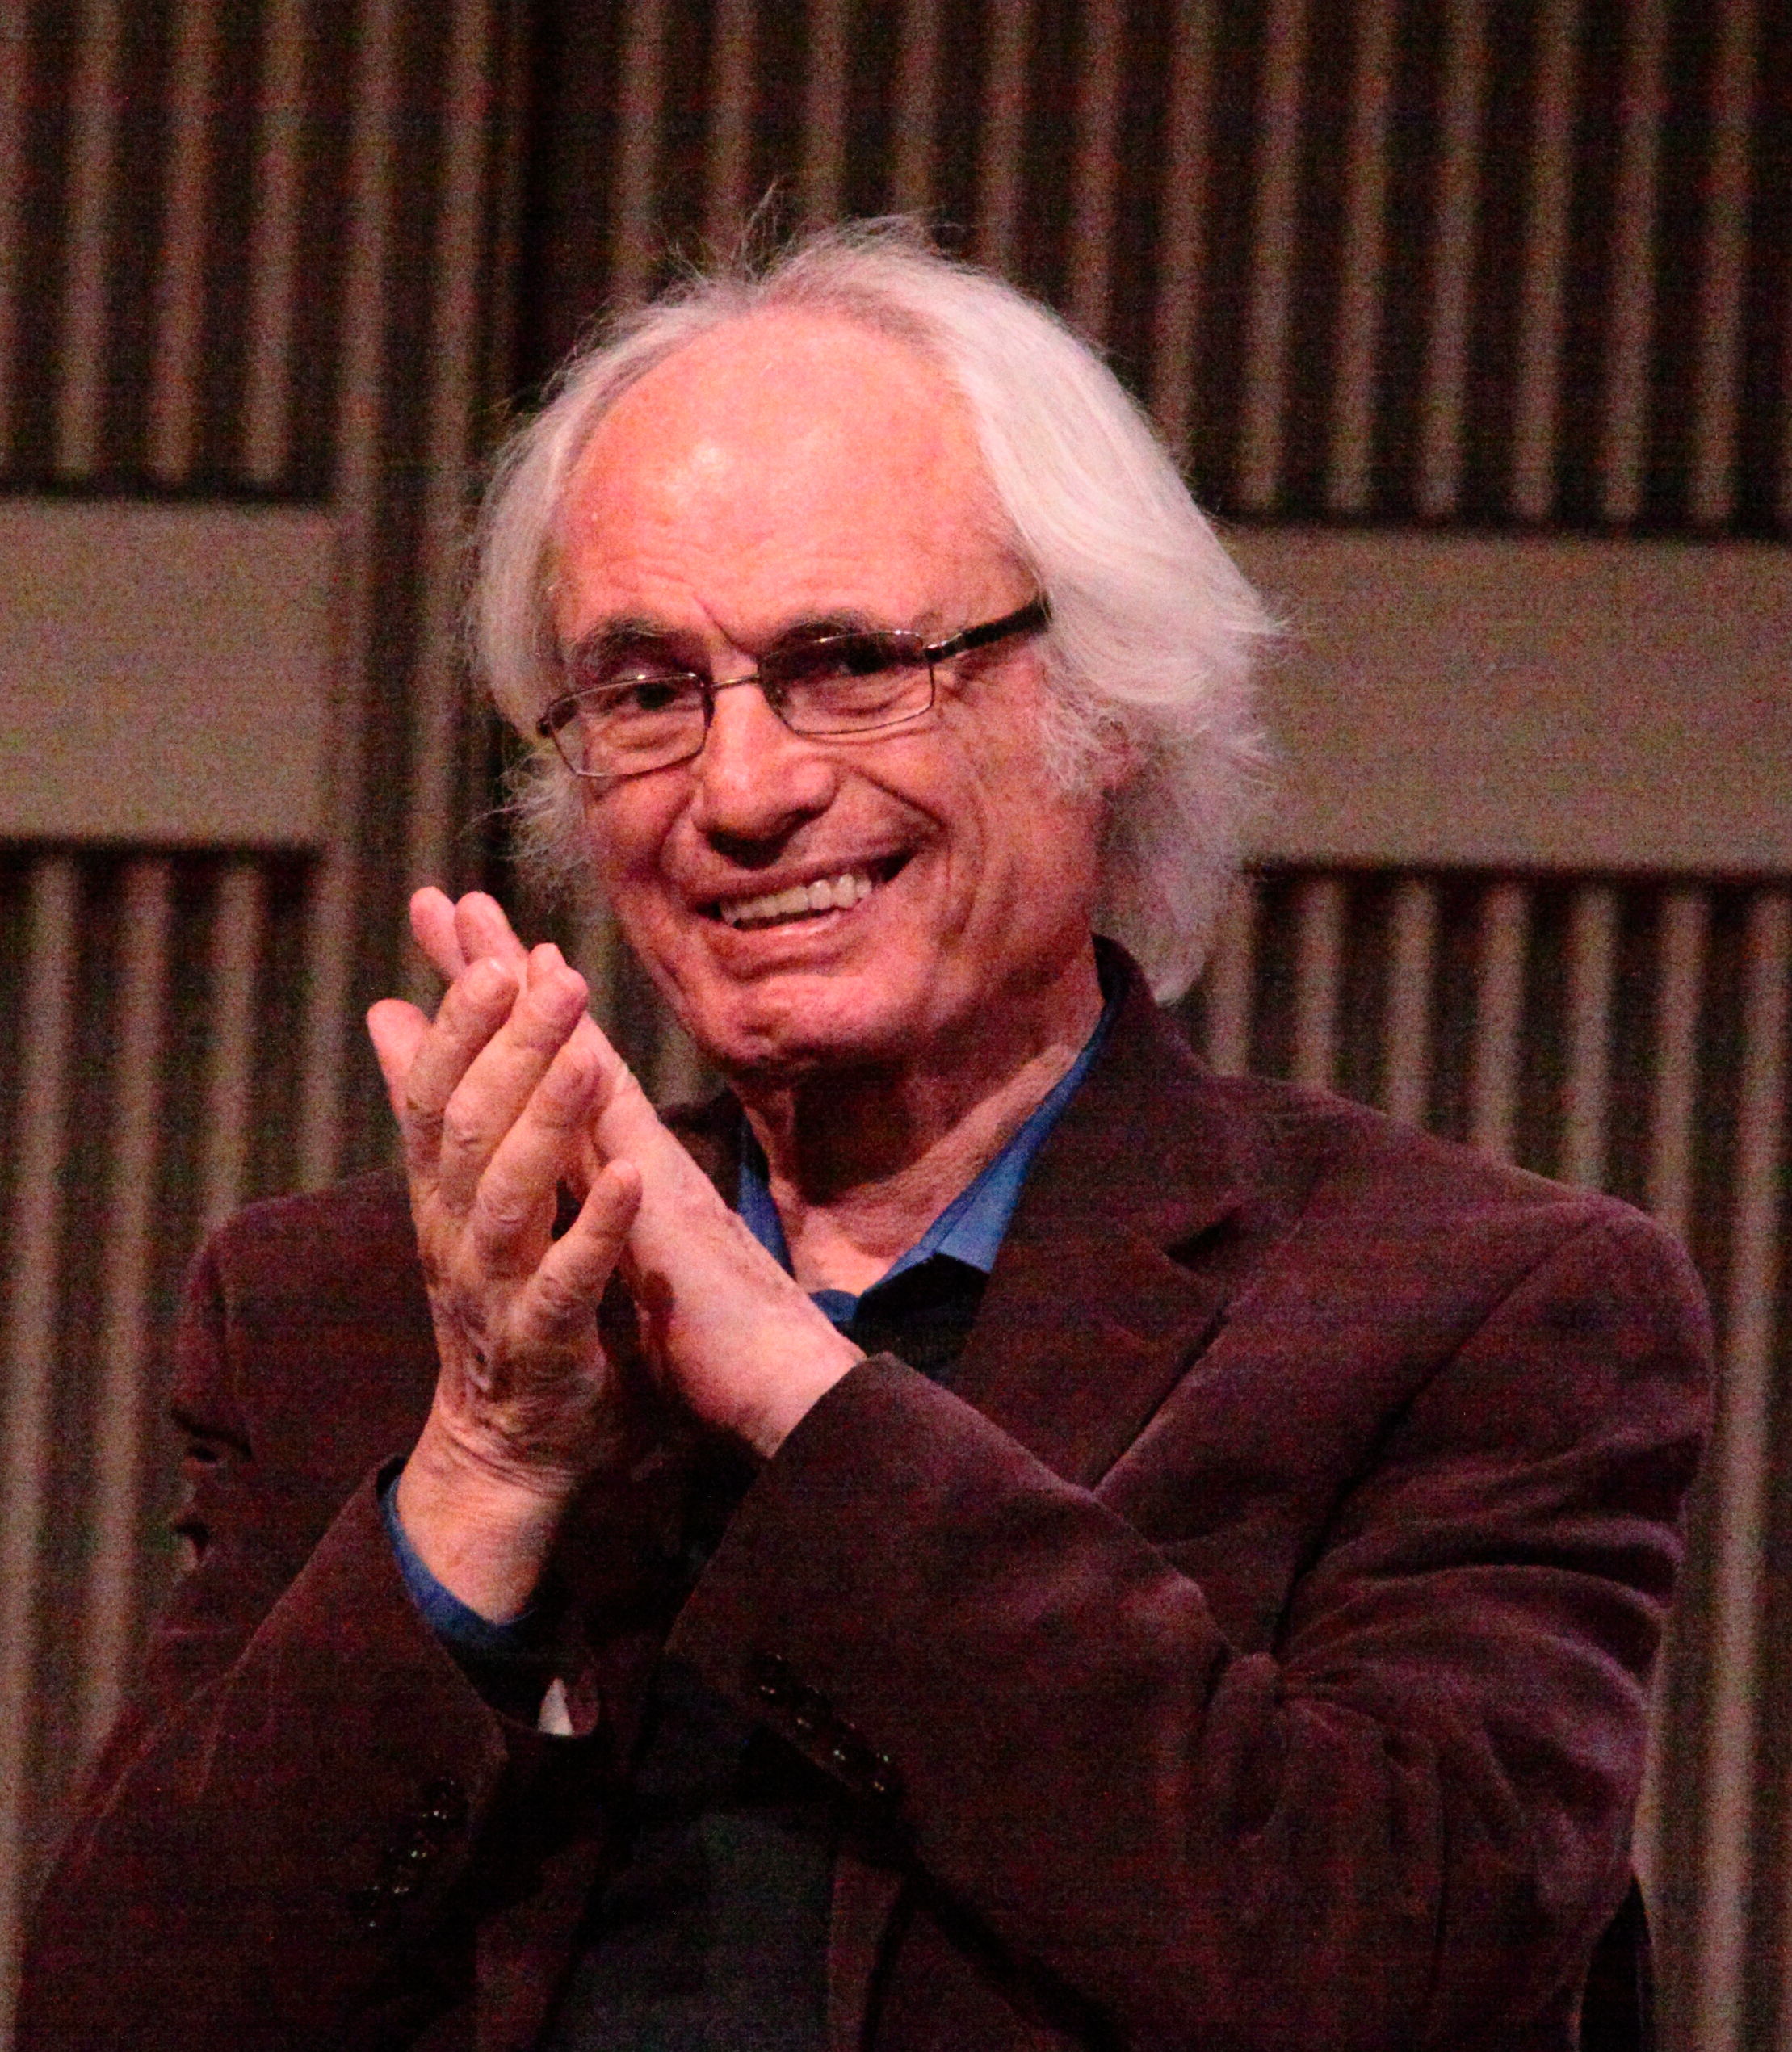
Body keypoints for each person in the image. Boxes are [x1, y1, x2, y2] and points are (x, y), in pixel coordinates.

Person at [20, 223, 1709, 2052]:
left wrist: (791, 1385)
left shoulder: (1465, 1305)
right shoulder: (359, 1312)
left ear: (1104, 707)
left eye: (849, 662)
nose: (744, 790)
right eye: (648, 693)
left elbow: (1391, 1968)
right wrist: (488, 1468)